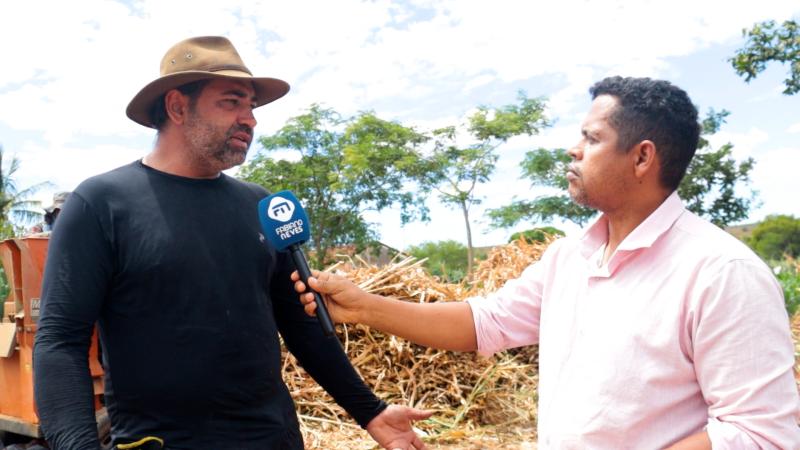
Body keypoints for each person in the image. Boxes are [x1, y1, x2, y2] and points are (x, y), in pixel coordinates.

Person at [295, 77, 800, 448]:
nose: (572, 149)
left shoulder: (720, 271)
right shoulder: (570, 257)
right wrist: (365, 308)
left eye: (592, 138)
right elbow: (484, 322)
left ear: (642, 157)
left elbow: (758, 432)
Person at [33, 36, 430, 450]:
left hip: (274, 439)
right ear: (177, 106)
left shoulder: (260, 205)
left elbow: (301, 324)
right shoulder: (101, 203)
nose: (250, 119)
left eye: (252, 107)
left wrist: (370, 409)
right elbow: (60, 341)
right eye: (231, 102)